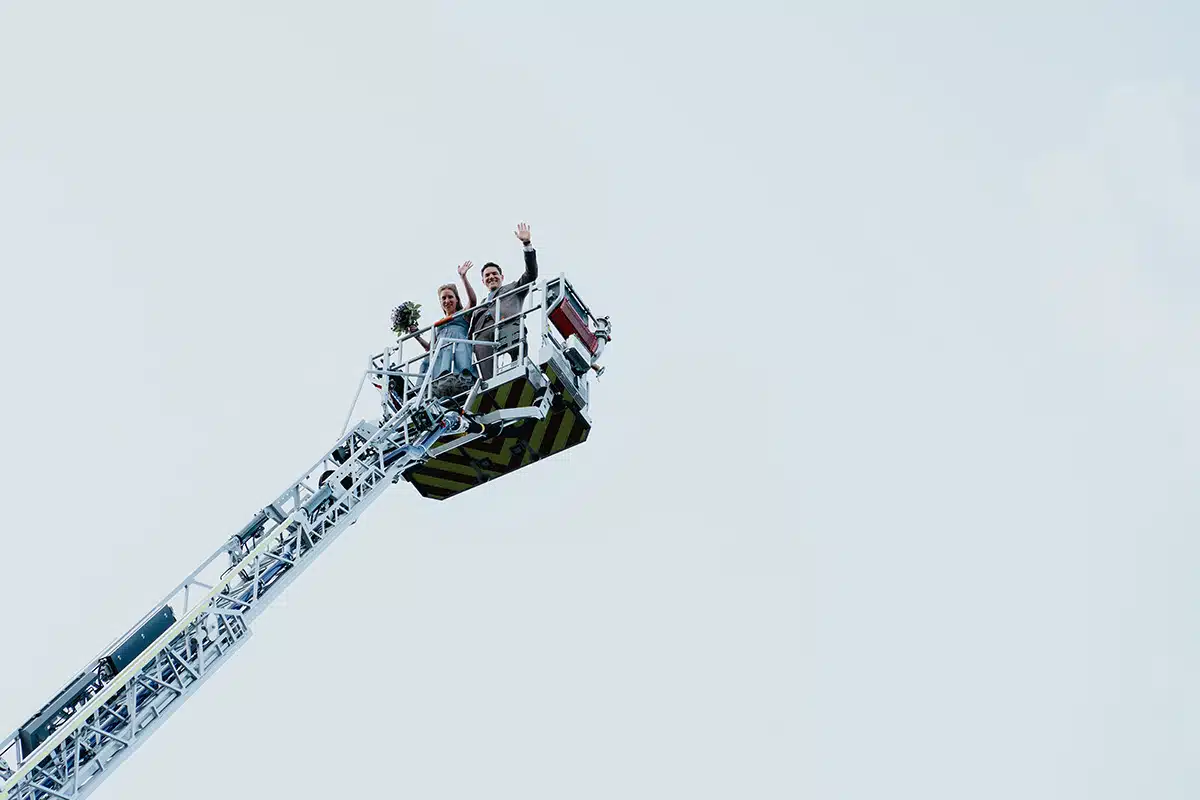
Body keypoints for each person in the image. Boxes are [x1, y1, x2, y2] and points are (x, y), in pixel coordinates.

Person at [470, 222, 539, 380]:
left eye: (494, 274)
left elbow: (531, 274)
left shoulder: (513, 288)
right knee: (485, 370)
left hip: (507, 326)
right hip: (483, 335)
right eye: (487, 275)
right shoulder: (480, 304)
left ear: (502, 277)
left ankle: (520, 374)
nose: (491, 277)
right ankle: (488, 386)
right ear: (483, 281)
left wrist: (527, 244)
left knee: (518, 356)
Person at [410, 261, 479, 397]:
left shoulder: (463, 315)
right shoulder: (438, 324)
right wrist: (416, 335)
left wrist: (463, 278)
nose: (447, 300)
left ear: (457, 299)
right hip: (440, 353)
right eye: (444, 298)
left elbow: (472, 301)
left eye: (450, 297)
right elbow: (430, 347)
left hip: (457, 350)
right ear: (441, 302)